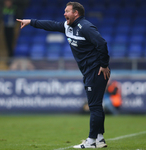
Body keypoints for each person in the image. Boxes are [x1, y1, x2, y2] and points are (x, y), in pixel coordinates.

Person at [17, 1, 110, 149]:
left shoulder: (85, 27)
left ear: (76, 13)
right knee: (96, 105)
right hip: (89, 71)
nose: (64, 14)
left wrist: (104, 65)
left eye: (67, 11)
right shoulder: (68, 26)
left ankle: (91, 141)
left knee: (94, 106)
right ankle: (99, 138)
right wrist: (30, 22)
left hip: (95, 70)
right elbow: (51, 25)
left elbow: (102, 43)